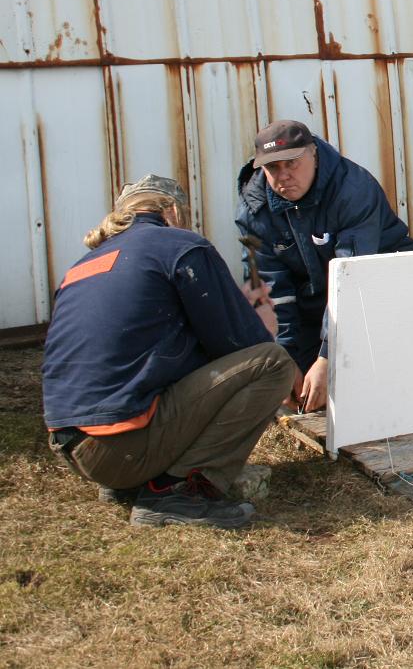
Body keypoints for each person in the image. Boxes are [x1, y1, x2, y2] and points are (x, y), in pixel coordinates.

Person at [43, 175, 296, 529]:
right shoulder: (180, 247)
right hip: (121, 447)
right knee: (273, 364)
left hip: (74, 447)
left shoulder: (82, 266)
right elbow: (241, 342)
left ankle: (130, 480)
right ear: (174, 211)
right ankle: (177, 490)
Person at [235, 120, 413, 412]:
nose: (283, 176)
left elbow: (354, 279)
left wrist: (328, 356)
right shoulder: (253, 209)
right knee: (297, 391)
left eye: (291, 163)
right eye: (273, 168)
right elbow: (269, 288)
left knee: (373, 388)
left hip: (379, 291)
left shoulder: (352, 190)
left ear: (314, 155)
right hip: (314, 302)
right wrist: (285, 357)